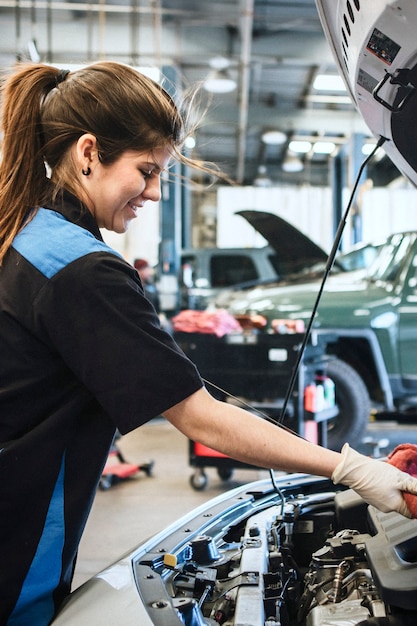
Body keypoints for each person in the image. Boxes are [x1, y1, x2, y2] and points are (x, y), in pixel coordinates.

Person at [0, 61, 416, 626]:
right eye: (145, 170)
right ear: (89, 153)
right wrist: (352, 469)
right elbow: (202, 420)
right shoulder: (82, 269)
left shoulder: (21, 232)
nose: (153, 190)